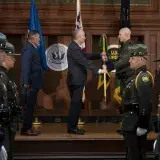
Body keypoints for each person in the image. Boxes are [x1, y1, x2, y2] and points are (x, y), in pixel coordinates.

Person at [67, 29, 106, 135]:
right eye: (83, 36)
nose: (85, 38)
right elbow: (84, 62)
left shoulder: (75, 47)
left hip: (77, 80)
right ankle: (72, 128)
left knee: (77, 104)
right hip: (76, 81)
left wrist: (99, 55)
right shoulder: (74, 48)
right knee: (76, 104)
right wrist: (98, 70)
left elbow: (86, 56)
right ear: (78, 37)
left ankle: (72, 127)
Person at [121, 44, 153, 160]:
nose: (130, 60)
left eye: (132, 58)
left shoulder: (143, 77)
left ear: (140, 59)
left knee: (136, 155)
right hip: (131, 123)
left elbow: (145, 103)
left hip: (136, 124)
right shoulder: (137, 76)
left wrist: (143, 125)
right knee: (132, 154)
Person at [0, 37, 21, 160]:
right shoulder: (2, 76)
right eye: (1, 52)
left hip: (8, 124)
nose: (14, 59)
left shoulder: (5, 76)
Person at [20, 30, 42, 136]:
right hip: (29, 84)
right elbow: (26, 67)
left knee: (31, 106)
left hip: (33, 83)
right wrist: (26, 82)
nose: (39, 40)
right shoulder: (29, 49)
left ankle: (28, 127)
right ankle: (25, 129)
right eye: (38, 38)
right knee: (28, 107)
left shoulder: (32, 48)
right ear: (33, 38)